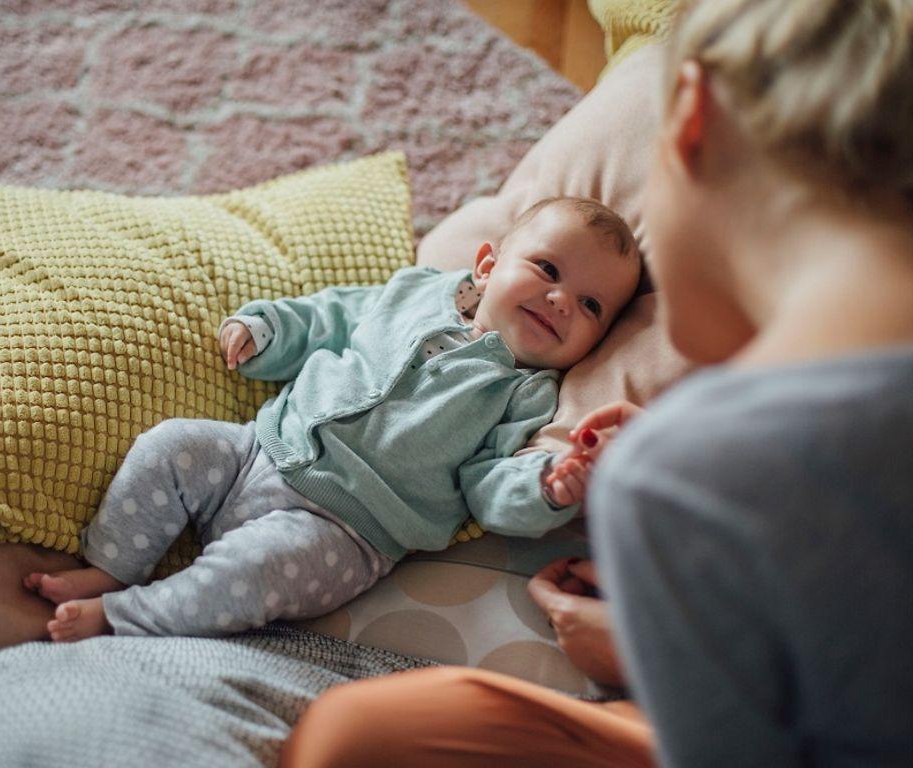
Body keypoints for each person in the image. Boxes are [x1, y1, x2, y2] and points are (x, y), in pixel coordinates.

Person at [278, 0, 913, 765]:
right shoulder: (711, 470)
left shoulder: (686, 482)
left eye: (594, 302)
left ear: (691, 122)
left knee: (350, 743)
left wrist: (662, 650)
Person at [22, 195, 641, 641]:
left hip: (344, 533)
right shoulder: (415, 292)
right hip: (260, 449)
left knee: (252, 573)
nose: (561, 300)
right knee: (169, 446)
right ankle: (107, 569)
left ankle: (129, 615)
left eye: (590, 305)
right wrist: (267, 329)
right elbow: (331, 317)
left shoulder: (528, 395)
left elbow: (489, 485)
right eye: (548, 270)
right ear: (486, 266)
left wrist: (544, 486)